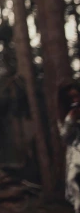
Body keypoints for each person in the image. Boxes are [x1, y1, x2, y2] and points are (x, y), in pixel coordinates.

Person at [59, 80, 80, 213]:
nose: (75, 100)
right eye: (71, 97)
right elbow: (64, 137)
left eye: (77, 96)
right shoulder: (64, 116)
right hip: (75, 157)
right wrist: (71, 120)